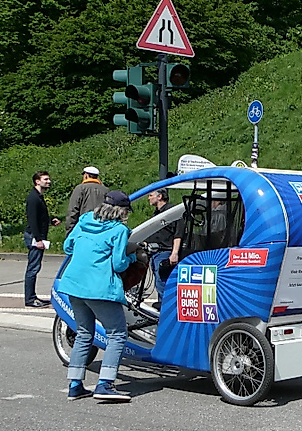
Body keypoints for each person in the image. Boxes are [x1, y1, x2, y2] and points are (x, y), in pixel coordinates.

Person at [59, 190, 137, 402]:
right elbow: (118, 264)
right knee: (117, 334)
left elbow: (68, 247)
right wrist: (132, 258)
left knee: (84, 333)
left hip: (74, 284)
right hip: (99, 288)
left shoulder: (85, 220)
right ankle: (105, 384)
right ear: (121, 211)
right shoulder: (119, 230)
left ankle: (75, 384)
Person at [24, 171, 61, 308]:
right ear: (37, 181)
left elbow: (40, 217)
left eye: (48, 179)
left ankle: (32, 297)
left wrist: (50, 221)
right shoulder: (33, 198)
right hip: (34, 237)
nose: (49, 181)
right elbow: (32, 220)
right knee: (33, 269)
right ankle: (30, 299)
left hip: (37, 236)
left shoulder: (38, 196)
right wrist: (38, 239)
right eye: (45, 179)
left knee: (35, 267)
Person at [145, 188, 183, 311]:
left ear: (159, 196)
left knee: (162, 282)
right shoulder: (156, 214)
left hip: (165, 251)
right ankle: (162, 306)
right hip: (155, 252)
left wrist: (174, 253)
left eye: (151, 195)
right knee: (158, 282)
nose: (149, 198)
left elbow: (178, 234)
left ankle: (167, 308)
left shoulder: (172, 213)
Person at [65, 166, 109, 236]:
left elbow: (73, 210)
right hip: (102, 227)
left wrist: (69, 231)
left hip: (84, 228)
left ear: (86, 175)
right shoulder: (105, 190)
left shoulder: (80, 188)